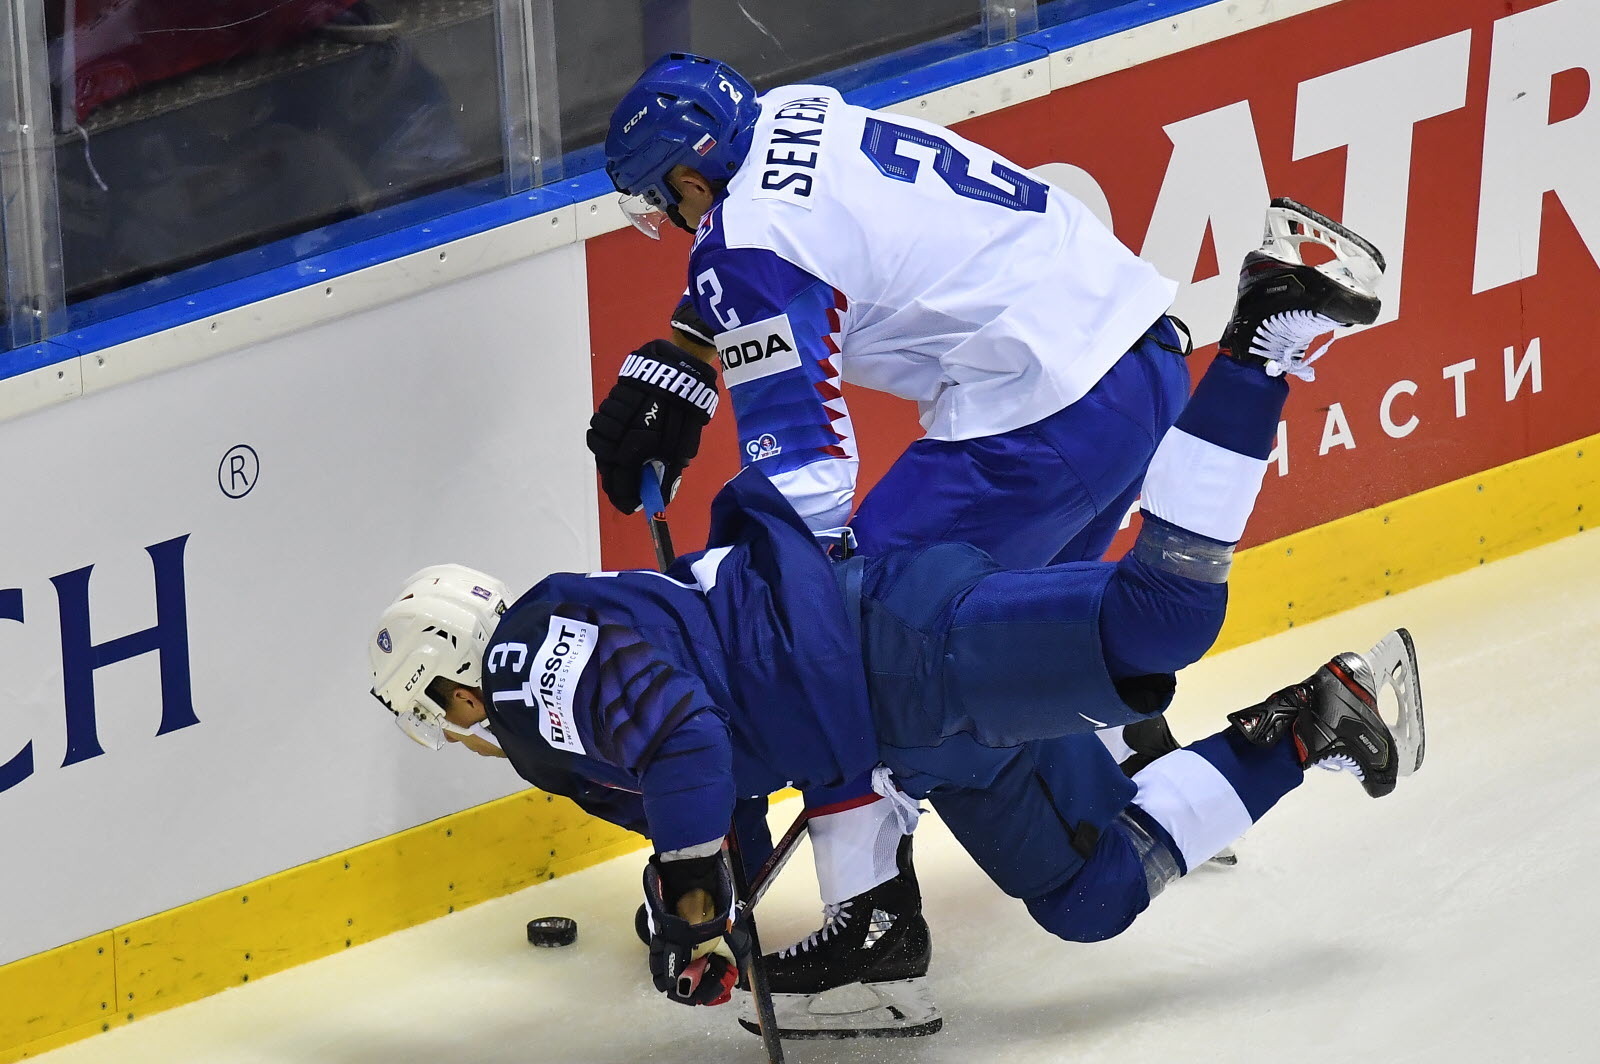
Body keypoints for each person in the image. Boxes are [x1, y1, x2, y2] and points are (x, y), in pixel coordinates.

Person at [370, 209, 1421, 1034]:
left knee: (1162, 618)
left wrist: (691, 887)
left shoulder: (519, 676)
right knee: (1090, 893)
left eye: (445, 712)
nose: (467, 728)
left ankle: (1263, 337)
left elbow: (685, 743)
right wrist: (690, 901)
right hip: (901, 733)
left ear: (453, 681)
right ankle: (1315, 718)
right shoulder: (568, 668)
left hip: (889, 650)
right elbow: (706, 790)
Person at [585, 53, 1370, 1035]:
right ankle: (1133, 761)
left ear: (692, 180)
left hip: (1035, 416)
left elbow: (810, 479)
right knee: (1008, 646)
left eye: (665, 203)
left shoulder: (743, 243)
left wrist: (730, 590)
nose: (670, 223)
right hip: (1138, 359)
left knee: (834, 635)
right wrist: (687, 351)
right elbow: (800, 250)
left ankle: (870, 935)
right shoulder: (793, 113)